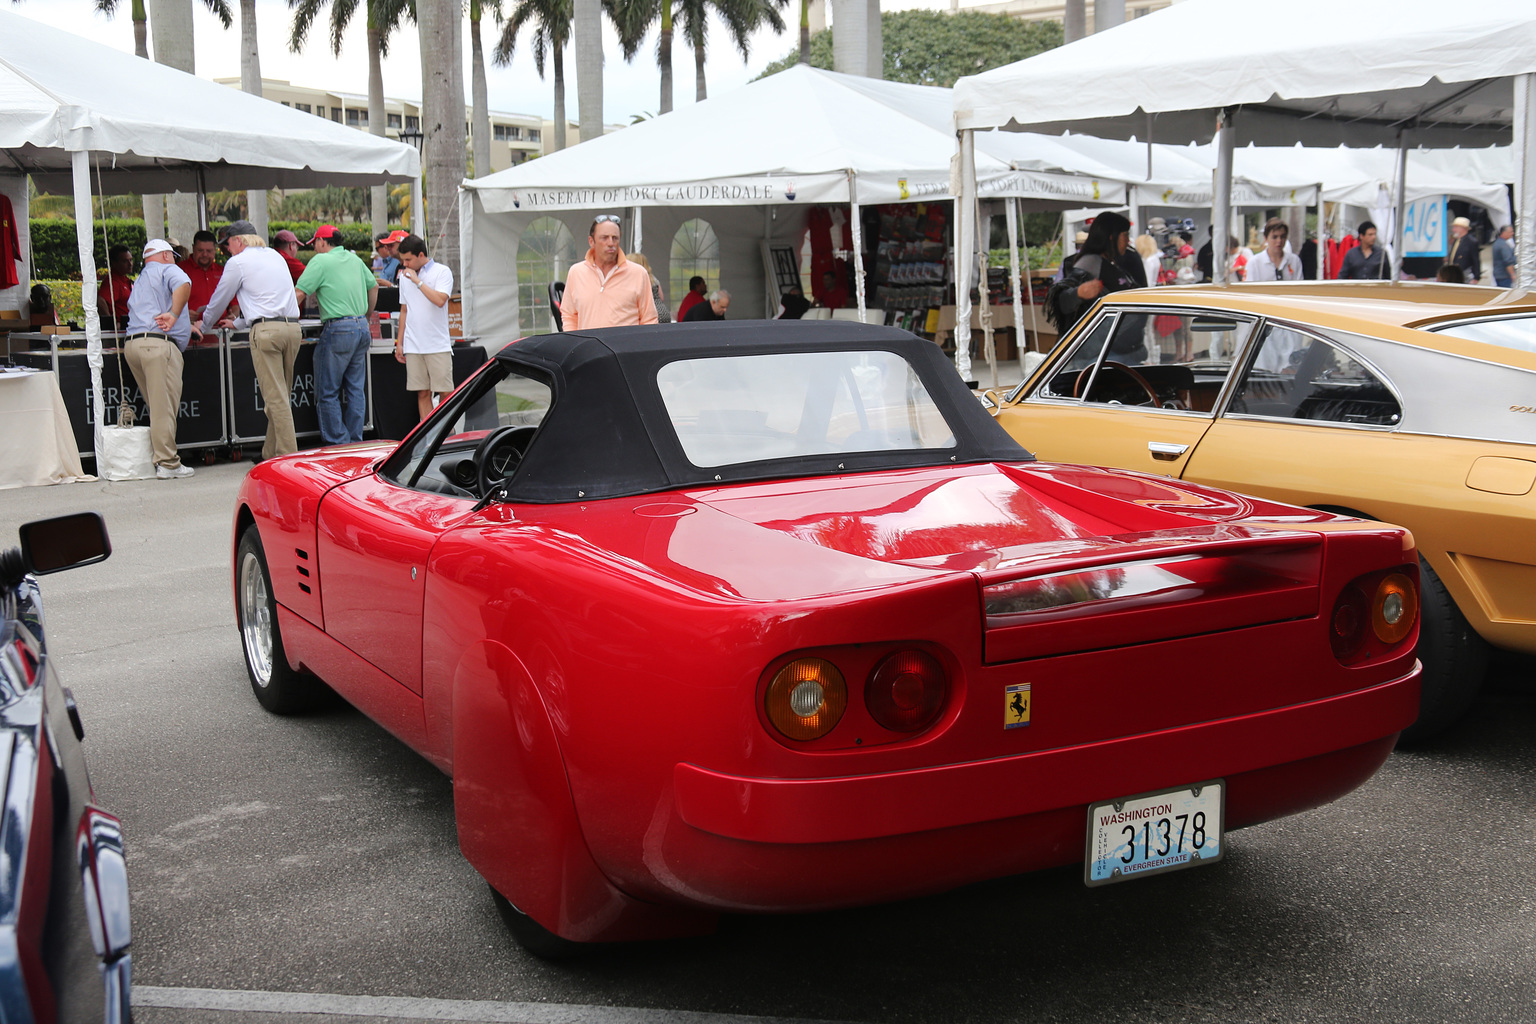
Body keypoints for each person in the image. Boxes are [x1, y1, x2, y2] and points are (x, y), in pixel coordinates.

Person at [199, 220, 302, 462]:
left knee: (275, 399)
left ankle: (288, 458)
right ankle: (270, 452)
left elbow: (219, 300)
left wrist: (203, 326)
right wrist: (239, 323)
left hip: (266, 332)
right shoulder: (276, 257)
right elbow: (272, 299)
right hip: (292, 328)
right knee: (281, 396)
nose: (227, 249)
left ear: (239, 240)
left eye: (228, 243)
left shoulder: (238, 262)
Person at [123, 239, 200, 479]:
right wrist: (175, 314)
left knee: (157, 407)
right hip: (158, 345)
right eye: (173, 255)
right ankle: (167, 462)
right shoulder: (168, 268)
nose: (175, 259)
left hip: (134, 344)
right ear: (166, 255)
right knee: (163, 408)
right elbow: (184, 284)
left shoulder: (142, 278)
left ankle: (162, 458)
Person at [296, 224, 378, 445]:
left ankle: (338, 443)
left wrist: (285, 319)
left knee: (327, 391)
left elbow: (299, 294)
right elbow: (374, 287)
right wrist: (366, 316)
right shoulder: (354, 259)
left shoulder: (320, 261)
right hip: (361, 326)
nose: (313, 248)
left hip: (339, 328)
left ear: (323, 241)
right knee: (355, 389)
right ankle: (354, 441)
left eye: (314, 243)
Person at [395, 234, 456, 422]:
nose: (404, 264)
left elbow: (440, 300)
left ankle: (447, 434)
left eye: (408, 259)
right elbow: (404, 310)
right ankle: (428, 437)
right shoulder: (404, 277)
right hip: (414, 345)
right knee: (422, 393)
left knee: (446, 393)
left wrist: (417, 282)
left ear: (421, 255)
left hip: (437, 344)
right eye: (402, 260)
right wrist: (400, 342)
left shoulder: (442, 271)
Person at [560, 216, 657, 330]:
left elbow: (649, 320)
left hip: (625, 347)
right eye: (604, 238)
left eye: (615, 238)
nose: (611, 243)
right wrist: (573, 343)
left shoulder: (639, 274)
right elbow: (569, 315)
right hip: (588, 347)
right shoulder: (576, 273)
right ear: (591, 241)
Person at [1047, 211, 1138, 332]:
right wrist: (1078, 293)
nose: (1128, 240)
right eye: (1124, 235)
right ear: (1111, 236)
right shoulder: (1091, 262)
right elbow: (1062, 300)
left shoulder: (1115, 260)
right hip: (1107, 345)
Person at [180, 230, 231, 324]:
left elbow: (234, 302)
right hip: (190, 332)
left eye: (209, 251)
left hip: (220, 333)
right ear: (193, 248)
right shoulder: (179, 271)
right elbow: (166, 303)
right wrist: (182, 314)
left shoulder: (223, 272)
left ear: (215, 250)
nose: (205, 254)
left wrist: (233, 315)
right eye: (200, 250)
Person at [96, 244, 133, 331]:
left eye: (130, 260)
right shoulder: (113, 282)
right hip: (121, 329)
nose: (130, 264)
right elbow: (100, 300)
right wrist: (111, 324)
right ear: (114, 263)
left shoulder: (124, 280)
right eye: (125, 261)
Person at [628, 252, 671, 323]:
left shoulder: (633, 279)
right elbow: (661, 297)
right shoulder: (653, 278)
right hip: (663, 313)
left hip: (650, 315)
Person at [1445, 216, 1480, 284]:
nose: (1453, 230)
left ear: (1463, 228)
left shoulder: (1471, 242)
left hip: (1464, 274)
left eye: (1456, 227)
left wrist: (1476, 277)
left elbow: (1476, 260)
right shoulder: (1456, 240)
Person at [1492, 224, 1516, 289]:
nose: (1512, 233)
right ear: (1504, 233)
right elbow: (1508, 261)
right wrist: (1512, 274)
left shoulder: (1497, 243)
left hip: (1499, 274)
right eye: (1510, 232)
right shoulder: (1503, 245)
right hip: (1504, 275)